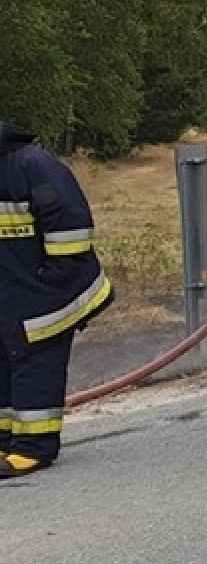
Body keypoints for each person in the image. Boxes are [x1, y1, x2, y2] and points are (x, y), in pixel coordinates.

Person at [0, 120, 115, 477]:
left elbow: (71, 224)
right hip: (14, 293)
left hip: (49, 294)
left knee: (34, 363)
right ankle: (7, 438)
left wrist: (52, 280)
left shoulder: (32, 165)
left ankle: (35, 447)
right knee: (5, 362)